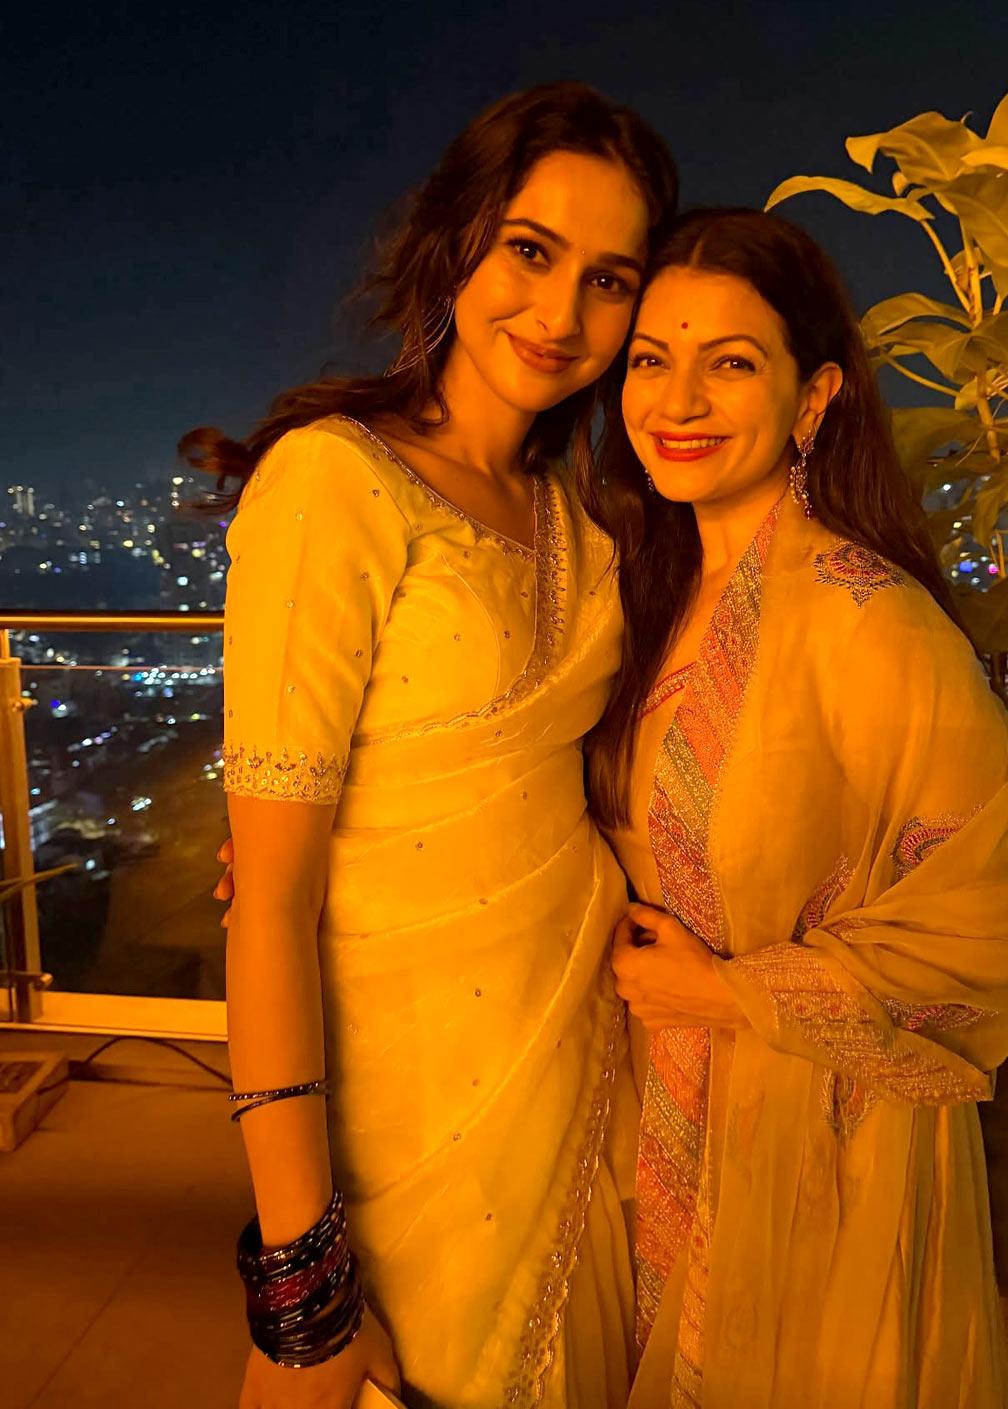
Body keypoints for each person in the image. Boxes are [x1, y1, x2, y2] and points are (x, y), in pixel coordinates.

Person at [188, 83, 677, 1409]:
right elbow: (271, 901)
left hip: (579, 1075)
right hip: (401, 1123)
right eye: (531, 250)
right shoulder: (335, 481)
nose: (561, 312)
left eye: (609, 278)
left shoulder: (586, 522)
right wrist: (301, 1282)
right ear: (455, 240)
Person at [583, 209, 1008, 1408]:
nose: (677, 400)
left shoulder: (870, 624)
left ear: (814, 398)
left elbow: (996, 928)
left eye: (731, 362)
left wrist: (735, 992)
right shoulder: (643, 593)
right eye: (651, 359)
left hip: (821, 1148)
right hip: (655, 1116)